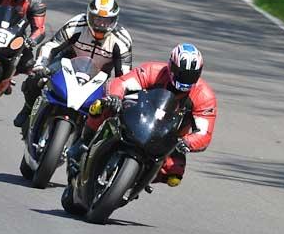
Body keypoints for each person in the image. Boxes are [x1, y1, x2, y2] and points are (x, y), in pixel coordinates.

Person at [68, 43, 217, 187]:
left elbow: (204, 132)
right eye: (181, 73)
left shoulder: (204, 96)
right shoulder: (154, 71)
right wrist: (115, 97)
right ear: (171, 66)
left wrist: (188, 142)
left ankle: (136, 182)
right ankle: (83, 143)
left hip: (169, 137)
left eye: (191, 75)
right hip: (138, 117)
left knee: (174, 174)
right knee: (101, 107)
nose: (185, 79)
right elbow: (122, 83)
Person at [13, 0, 133, 128]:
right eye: (97, 19)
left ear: (114, 20)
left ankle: (87, 140)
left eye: (106, 21)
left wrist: (117, 96)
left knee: (112, 109)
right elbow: (51, 46)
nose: (101, 25)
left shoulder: (122, 40)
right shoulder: (77, 24)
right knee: (36, 78)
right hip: (68, 64)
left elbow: (124, 76)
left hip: (100, 76)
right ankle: (28, 108)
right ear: (88, 15)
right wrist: (41, 65)